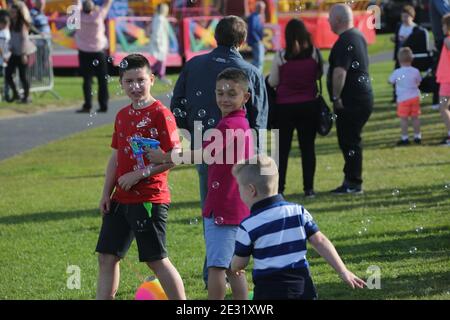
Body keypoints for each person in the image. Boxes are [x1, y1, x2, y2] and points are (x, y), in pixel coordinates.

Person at [171, 15, 268, 286]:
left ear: (215, 37)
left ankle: (215, 272)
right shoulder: (251, 72)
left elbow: (176, 104)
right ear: (243, 40)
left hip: (205, 146)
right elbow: (260, 119)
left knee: (213, 212)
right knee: (239, 214)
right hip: (242, 156)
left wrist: (190, 133)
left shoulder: (193, 65)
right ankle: (226, 270)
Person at [148, 68, 254, 300]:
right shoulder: (238, 122)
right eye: (220, 93)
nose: (224, 99)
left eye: (232, 94)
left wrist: (164, 156)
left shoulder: (230, 126)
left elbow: (203, 155)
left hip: (224, 208)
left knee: (217, 267)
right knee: (234, 267)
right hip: (236, 206)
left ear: (245, 97)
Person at [95, 53, 185, 300]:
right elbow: (115, 157)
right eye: (129, 81)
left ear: (152, 80)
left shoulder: (161, 113)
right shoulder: (122, 115)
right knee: (107, 256)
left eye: (140, 80)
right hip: (119, 199)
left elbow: (175, 156)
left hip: (149, 199)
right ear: (121, 83)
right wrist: (106, 193)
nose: (135, 86)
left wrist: (139, 174)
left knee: (156, 260)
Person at [230, 154, 366, 300]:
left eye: (239, 187)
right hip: (302, 288)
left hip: (269, 292)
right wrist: (343, 271)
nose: (239, 192)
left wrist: (235, 267)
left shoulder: (248, 225)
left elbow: (240, 262)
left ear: (251, 190)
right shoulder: (297, 211)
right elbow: (320, 241)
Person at [267, 18, 323, 198]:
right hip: (309, 105)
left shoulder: (281, 56)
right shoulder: (314, 53)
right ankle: (309, 188)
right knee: (308, 148)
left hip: (285, 107)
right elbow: (319, 73)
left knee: (282, 150)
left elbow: (274, 81)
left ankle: (280, 188)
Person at [327, 4, 373, 195]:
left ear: (338, 20)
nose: (328, 22)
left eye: (330, 18)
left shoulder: (346, 39)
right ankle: (350, 180)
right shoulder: (357, 35)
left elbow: (339, 73)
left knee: (350, 140)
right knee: (349, 140)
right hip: (361, 97)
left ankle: (353, 183)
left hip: (351, 99)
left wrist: (336, 97)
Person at [75, 0, 112, 113]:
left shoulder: (78, 16)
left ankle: (87, 105)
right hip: (98, 51)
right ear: (93, 8)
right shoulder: (98, 14)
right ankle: (103, 104)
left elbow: (76, 3)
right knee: (102, 79)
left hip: (84, 52)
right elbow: (107, 3)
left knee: (87, 80)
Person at [388, 47, 422, 146]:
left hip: (403, 99)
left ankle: (405, 138)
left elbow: (390, 81)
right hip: (415, 97)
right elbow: (419, 81)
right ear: (412, 59)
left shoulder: (397, 72)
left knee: (404, 119)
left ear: (399, 60)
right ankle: (417, 136)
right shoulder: (415, 71)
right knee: (415, 118)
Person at [4, 1, 36, 104]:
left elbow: (23, 40)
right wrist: (10, 47)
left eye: (14, 12)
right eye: (11, 12)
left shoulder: (22, 24)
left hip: (23, 53)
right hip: (15, 52)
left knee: (23, 76)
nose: (12, 14)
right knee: (8, 74)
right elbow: (12, 38)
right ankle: (16, 93)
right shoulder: (12, 23)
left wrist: (23, 55)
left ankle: (26, 97)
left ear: (18, 13)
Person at [429, 0, 450, 108]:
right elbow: (446, 13)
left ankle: (439, 101)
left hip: (445, 38)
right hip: (443, 38)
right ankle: (437, 100)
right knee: (440, 68)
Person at [436, 13, 450, 146]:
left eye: (443, 25)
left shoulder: (447, 40)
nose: (442, 28)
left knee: (443, 107)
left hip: (447, 81)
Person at [149, 3, 171, 85]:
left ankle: (149, 73)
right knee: (162, 60)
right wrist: (157, 42)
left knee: (160, 61)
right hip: (160, 42)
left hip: (161, 42)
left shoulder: (158, 18)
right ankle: (161, 76)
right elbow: (157, 31)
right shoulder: (160, 19)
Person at [247, 1, 266, 73]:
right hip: (256, 41)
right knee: (259, 60)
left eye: (263, 8)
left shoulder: (258, 16)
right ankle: (257, 75)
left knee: (258, 60)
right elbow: (252, 30)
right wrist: (258, 40)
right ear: (257, 8)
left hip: (258, 41)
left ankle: (256, 74)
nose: (263, 10)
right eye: (261, 8)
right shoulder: (253, 16)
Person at [0, 11, 10, 100]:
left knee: (6, 78)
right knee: (7, 78)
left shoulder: (3, 33)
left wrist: (4, 56)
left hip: (3, 60)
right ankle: (6, 94)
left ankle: (6, 94)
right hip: (6, 59)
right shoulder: (7, 32)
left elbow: (2, 47)